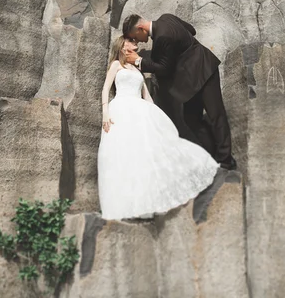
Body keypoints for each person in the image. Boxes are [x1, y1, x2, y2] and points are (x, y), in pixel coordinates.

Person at [97, 36, 218, 221]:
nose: (134, 43)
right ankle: (122, 206)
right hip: (121, 109)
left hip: (139, 110)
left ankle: (143, 203)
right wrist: (105, 113)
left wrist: (156, 116)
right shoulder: (115, 65)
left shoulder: (137, 68)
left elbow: (146, 96)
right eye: (130, 41)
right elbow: (106, 88)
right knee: (121, 155)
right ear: (123, 46)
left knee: (143, 155)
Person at [121, 13, 237, 170]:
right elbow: (192, 30)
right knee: (191, 119)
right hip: (191, 80)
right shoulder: (167, 17)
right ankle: (214, 156)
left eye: (134, 37)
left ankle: (225, 160)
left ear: (140, 28)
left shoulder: (162, 36)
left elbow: (164, 69)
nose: (136, 41)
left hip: (204, 70)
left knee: (216, 114)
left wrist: (138, 61)